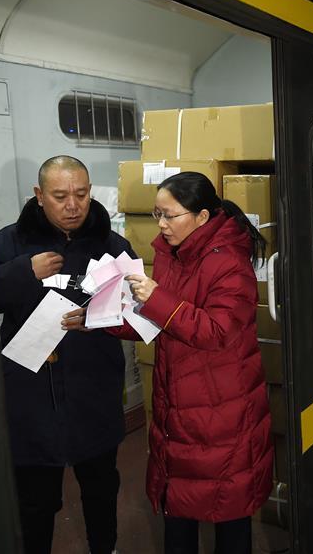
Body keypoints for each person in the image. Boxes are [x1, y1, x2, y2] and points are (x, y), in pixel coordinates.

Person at [107, 171, 273, 554]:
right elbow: (160, 322)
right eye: (157, 214)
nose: (161, 225)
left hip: (223, 412)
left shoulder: (230, 263)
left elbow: (217, 331)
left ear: (202, 217)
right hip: (178, 405)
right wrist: (104, 321)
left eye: (170, 215)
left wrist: (156, 298)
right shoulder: (172, 254)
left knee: (229, 508)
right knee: (177, 503)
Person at [0, 155, 134, 554]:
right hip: (31, 395)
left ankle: (105, 548)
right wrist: (22, 272)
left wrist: (101, 316)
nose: (73, 205)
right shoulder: (8, 243)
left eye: (81, 194)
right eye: (59, 196)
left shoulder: (112, 245)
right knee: (34, 501)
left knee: (101, 488)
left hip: (93, 388)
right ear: (39, 195)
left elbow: (135, 308)